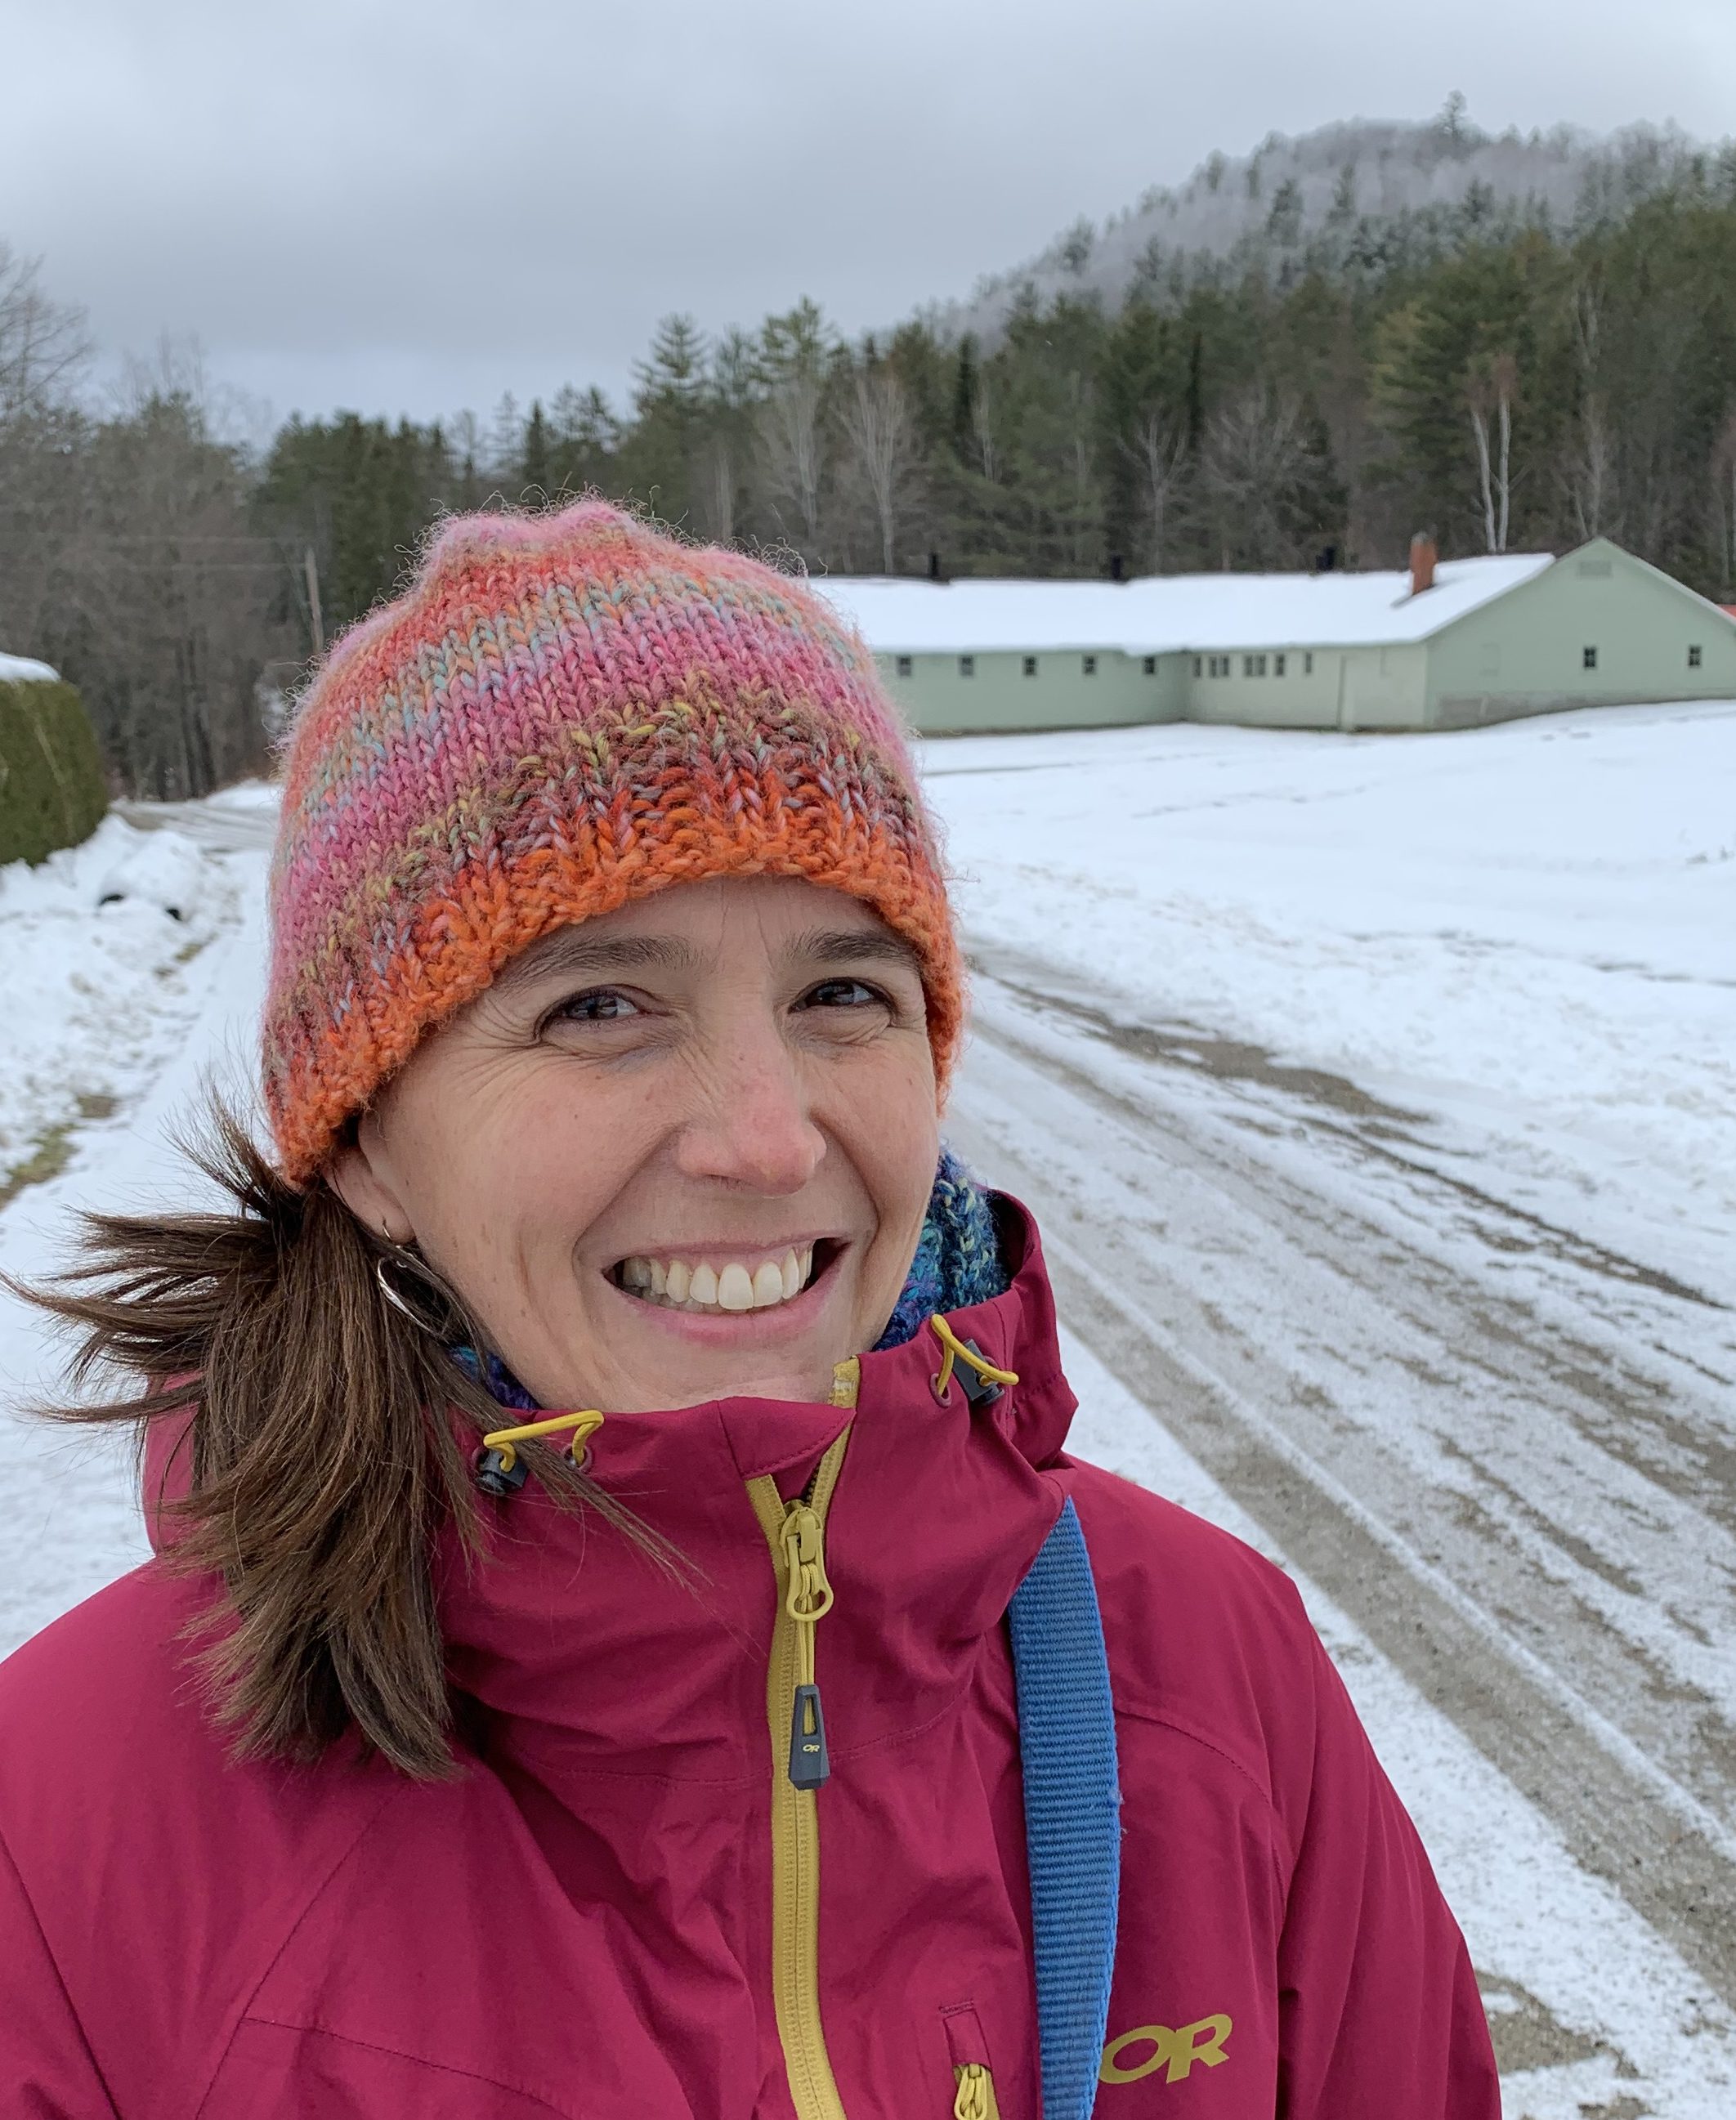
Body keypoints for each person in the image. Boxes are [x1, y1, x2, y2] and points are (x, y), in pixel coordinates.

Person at [0, 503, 1499, 2118]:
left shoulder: (1219, 1675)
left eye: (842, 992)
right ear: (364, 1141)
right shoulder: (66, 1843)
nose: (770, 1140)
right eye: (600, 1005)